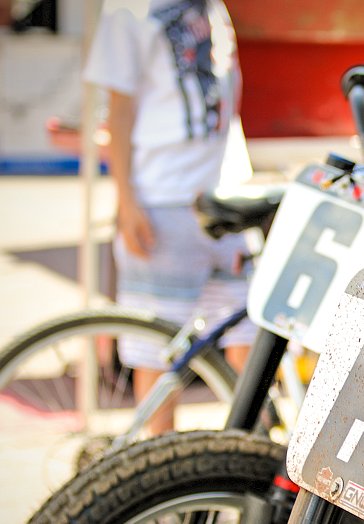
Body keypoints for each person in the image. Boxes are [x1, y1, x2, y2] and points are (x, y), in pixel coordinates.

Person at [84, 0, 254, 433]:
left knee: (248, 344)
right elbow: (117, 112)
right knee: (159, 354)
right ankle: (162, 476)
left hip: (224, 204)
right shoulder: (127, 10)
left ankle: (251, 469)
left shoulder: (212, 7)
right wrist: (126, 201)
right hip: (160, 202)